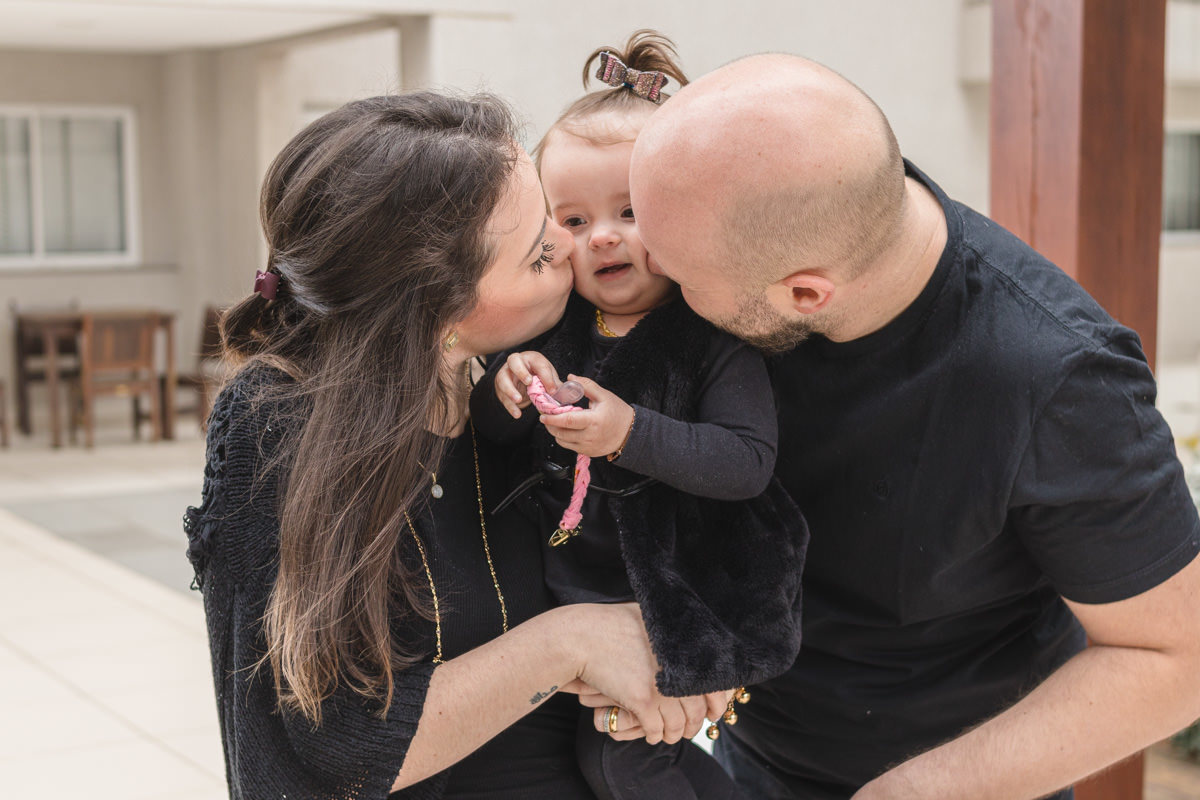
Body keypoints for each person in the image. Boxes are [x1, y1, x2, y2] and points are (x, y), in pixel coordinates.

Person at [624, 53, 1200, 799]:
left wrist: (916, 792)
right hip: (748, 758)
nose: (654, 279)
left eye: (681, 277)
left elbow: (1173, 658)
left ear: (805, 292)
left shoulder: (1058, 378)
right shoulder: (785, 215)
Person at [183, 91, 733, 800]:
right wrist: (573, 642)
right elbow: (336, 751)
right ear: (434, 312)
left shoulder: (518, 381)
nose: (571, 245)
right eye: (540, 252)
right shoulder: (276, 423)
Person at [468, 32, 806, 800]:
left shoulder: (712, 337)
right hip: (576, 593)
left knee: (627, 759)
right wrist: (506, 390)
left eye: (630, 211)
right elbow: (492, 444)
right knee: (596, 759)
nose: (605, 236)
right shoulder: (549, 327)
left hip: (683, 587)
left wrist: (629, 434)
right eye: (575, 221)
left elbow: (747, 462)